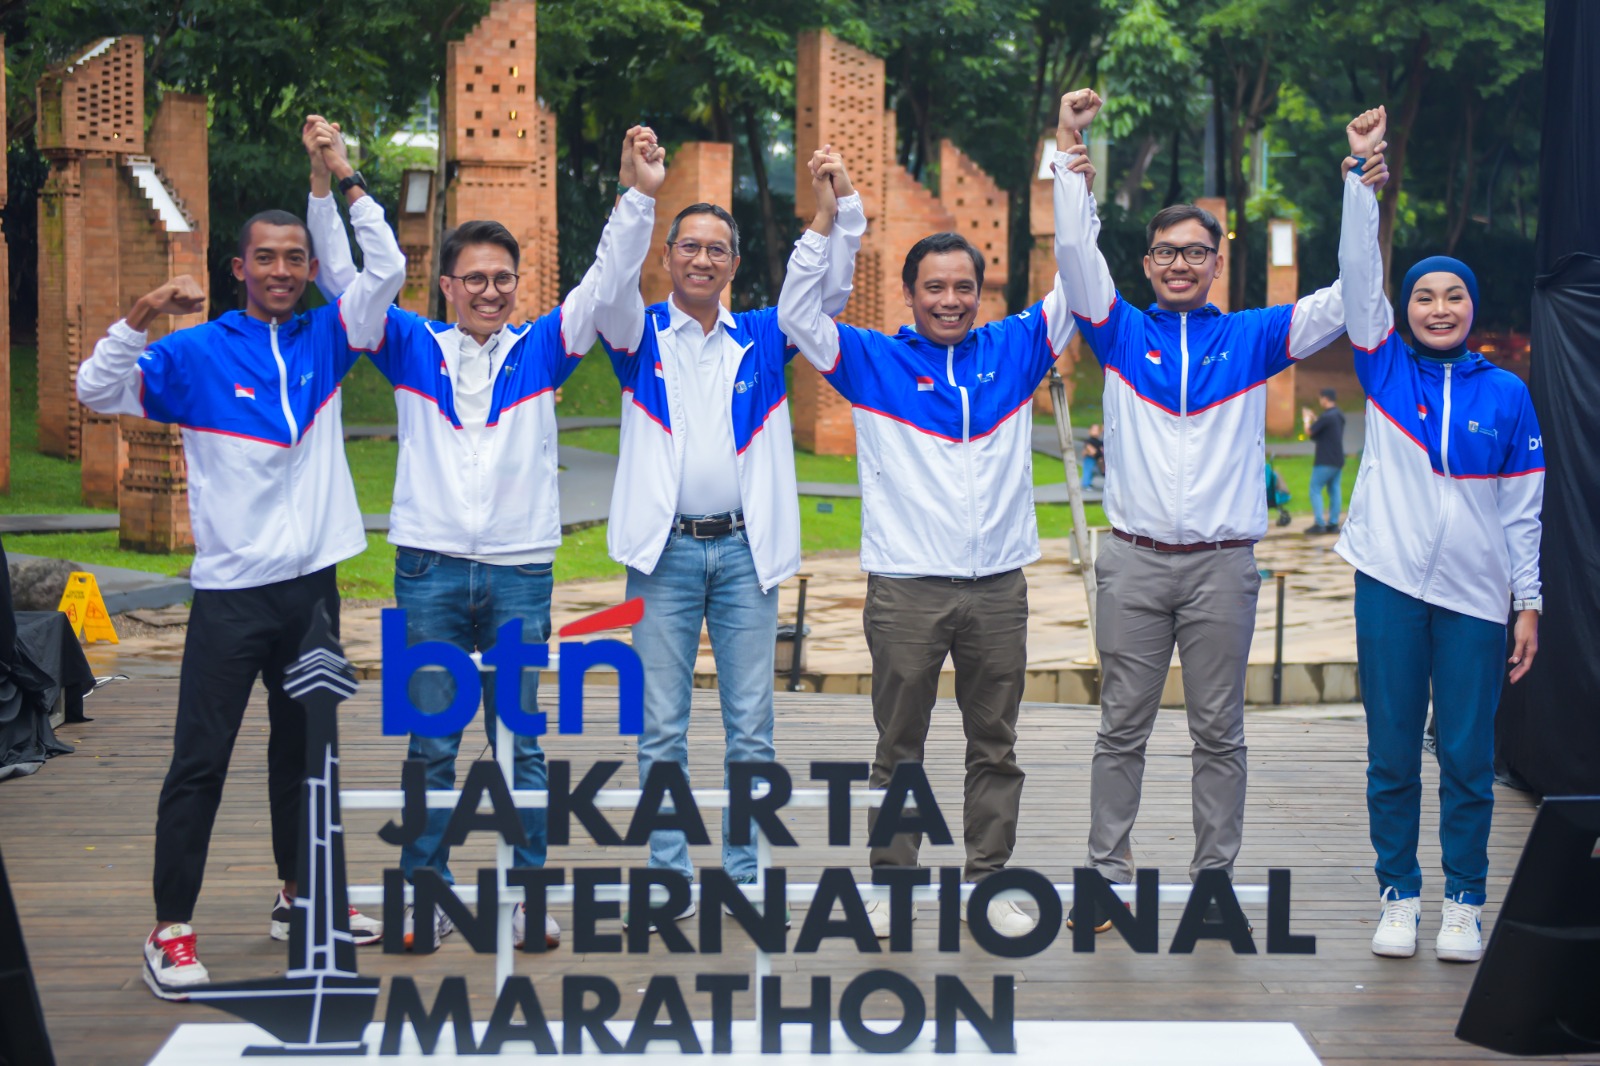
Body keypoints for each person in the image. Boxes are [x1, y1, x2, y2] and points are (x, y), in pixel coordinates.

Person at [309, 128, 659, 952]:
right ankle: (424, 894)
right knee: (431, 745)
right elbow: (344, 282)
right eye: (475, 279)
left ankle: (528, 897)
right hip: (429, 569)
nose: (491, 292)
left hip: (517, 573)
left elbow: (607, 277)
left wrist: (635, 194)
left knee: (519, 746)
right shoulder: (409, 344)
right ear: (447, 286)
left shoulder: (543, 348)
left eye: (503, 279)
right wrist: (330, 186)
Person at [76, 116, 400, 1000]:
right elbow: (96, 390)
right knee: (201, 760)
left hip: (312, 591)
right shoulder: (195, 354)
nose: (282, 271)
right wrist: (144, 314)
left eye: (296, 259)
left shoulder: (329, 336)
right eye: (267, 259)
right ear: (239, 268)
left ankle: (302, 897)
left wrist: (336, 178)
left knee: (307, 755)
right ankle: (171, 929)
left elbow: (385, 272)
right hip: (231, 596)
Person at [1053, 89, 1386, 931]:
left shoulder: (1253, 338)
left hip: (1221, 567)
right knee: (1120, 730)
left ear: (1216, 263)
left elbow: (1353, 293)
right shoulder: (1118, 331)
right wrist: (1067, 151)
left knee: (1220, 734)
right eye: (1166, 251)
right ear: (1146, 263)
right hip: (1132, 562)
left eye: (1194, 253)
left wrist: (1358, 183)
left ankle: (1213, 882)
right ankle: (1106, 876)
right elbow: (1075, 250)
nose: (1179, 264)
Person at [777, 127, 1095, 939]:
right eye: (934, 288)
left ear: (980, 293)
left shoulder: (1016, 348)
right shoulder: (871, 360)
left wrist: (1068, 166)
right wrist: (834, 217)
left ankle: (989, 881)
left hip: (998, 589)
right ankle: (893, 885)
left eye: (963, 287)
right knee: (899, 748)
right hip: (907, 589)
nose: (949, 300)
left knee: (995, 744)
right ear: (910, 294)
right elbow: (795, 312)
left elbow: (1080, 281)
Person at [592, 130, 863, 927]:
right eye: (690, 247)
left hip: (745, 553)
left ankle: (745, 872)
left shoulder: (764, 338)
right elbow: (608, 285)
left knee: (752, 729)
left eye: (718, 249)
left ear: (734, 264)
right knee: (661, 729)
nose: (703, 259)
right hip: (664, 556)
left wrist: (833, 213)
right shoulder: (637, 336)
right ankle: (669, 874)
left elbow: (825, 297)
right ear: (668, 256)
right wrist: (637, 193)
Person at [1334, 106, 1543, 964]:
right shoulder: (1383, 364)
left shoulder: (1509, 395)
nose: (1439, 307)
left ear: (1473, 308)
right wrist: (1361, 181)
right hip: (1388, 585)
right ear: (1406, 308)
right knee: (1392, 753)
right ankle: (1399, 895)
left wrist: (1528, 601)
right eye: (1424, 294)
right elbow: (1358, 277)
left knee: (1466, 757)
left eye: (1454, 295)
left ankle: (1463, 901)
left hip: (1476, 600)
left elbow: (1523, 509)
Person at [1302, 389, 1347, 533]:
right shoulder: (1338, 415)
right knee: (1334, 490)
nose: (1320, 401)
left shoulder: (1327, 416)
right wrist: (1316, 418)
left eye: (1321, 398)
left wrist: (1306, 419)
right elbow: (1324, 429)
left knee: (1315, 489)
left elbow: (1310, 431)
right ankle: (1333, 524)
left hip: (1325, 460)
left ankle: (1319, 524)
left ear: (1326, 399)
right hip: (1338, 459)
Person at [1081, 423, 1105, 490]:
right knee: (1088, 470)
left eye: (1097, 430)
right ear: (1089, 431)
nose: (1095, 432)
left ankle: (1088, 482)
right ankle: (1086, 484)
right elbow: (1088, 449)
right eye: (1093, 430)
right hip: (1089, 458)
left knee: (1092, 471)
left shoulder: (1099, 442)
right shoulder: (1088, 441)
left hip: (1095, 459)